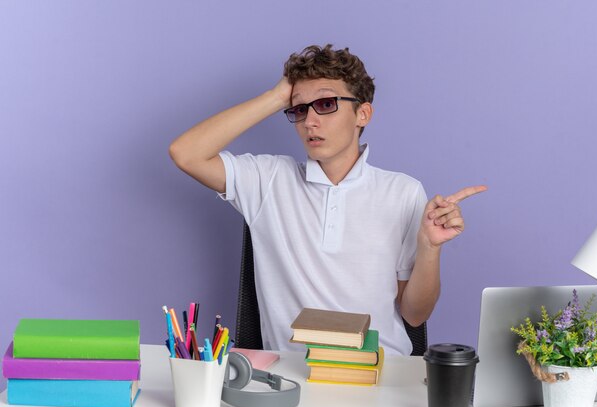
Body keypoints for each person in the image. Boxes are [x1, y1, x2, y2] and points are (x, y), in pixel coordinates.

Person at [169, 44, 486, 355]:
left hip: (380, 369)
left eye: (325, 104)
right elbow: (185, 153)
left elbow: (415, 314)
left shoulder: (403, 191)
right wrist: (276, 97)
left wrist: (430, 248)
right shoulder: (268, 179)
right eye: (299, 109)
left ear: (362, 113)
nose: (309, 121)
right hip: (294, 375)